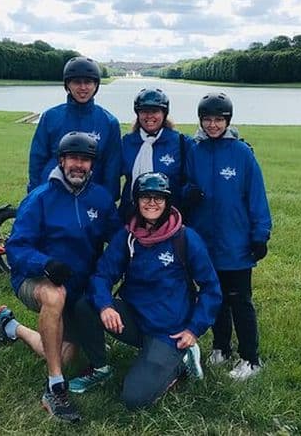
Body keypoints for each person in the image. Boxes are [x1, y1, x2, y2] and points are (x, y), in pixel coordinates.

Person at [0, 131, 121, 423]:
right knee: (55, 295)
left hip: (78, 289)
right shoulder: (39, 198)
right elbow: (15, 248)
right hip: (35, 280)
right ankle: (55, 387)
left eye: (85, 160)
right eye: (73, 158)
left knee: (64, 355)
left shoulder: (100, 199)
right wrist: (45, 263)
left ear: (92, 165)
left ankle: (10, 326)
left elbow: (118, 241)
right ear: (61, 160)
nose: (79, 165)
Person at [72, 172, 221, 409]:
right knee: (85, 305)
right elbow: (102, 275)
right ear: (137, 201)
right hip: (134, 319)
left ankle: (182, 358)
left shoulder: (185, 238)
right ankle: (100, 366)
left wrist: (194, 329)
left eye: (158, 198)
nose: (152, 203)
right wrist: (106, 305)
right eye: (145, 197)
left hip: (168, 331)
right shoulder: (128, 237)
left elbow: (211, 288)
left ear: (167, 201)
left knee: (134, 399)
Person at [183, 92, 272, 381]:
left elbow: (256, 195)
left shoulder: (241, 153)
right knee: (214, 296)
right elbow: (182, 185)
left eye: (218, 120)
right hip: (204, 242)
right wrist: (187, 194)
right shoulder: (193, 150)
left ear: (228, 121)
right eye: (207, 119)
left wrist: (260, 234)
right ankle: (221, 347)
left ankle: (251, 358)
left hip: (235, 242)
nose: (212, 125)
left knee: (239, 300)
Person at [27, 56, 121, 200]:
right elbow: (37, 159)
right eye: (77, 82)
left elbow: (112, 167)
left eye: (88, 82)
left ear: (96, 85)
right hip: (52, 193)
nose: (83, 88)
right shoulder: (50, 117)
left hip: (91, 196)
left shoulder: (109, 122)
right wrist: (35, 193)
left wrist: (108, 200)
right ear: (67, 85)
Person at [118, 88, 190, 220]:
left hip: (169, 217)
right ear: (138, 113)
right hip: (132, 216)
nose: (149, 116)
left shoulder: (181, 142)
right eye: (144, 111)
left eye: (155, 111)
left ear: (164, 113)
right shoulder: (126, 142)